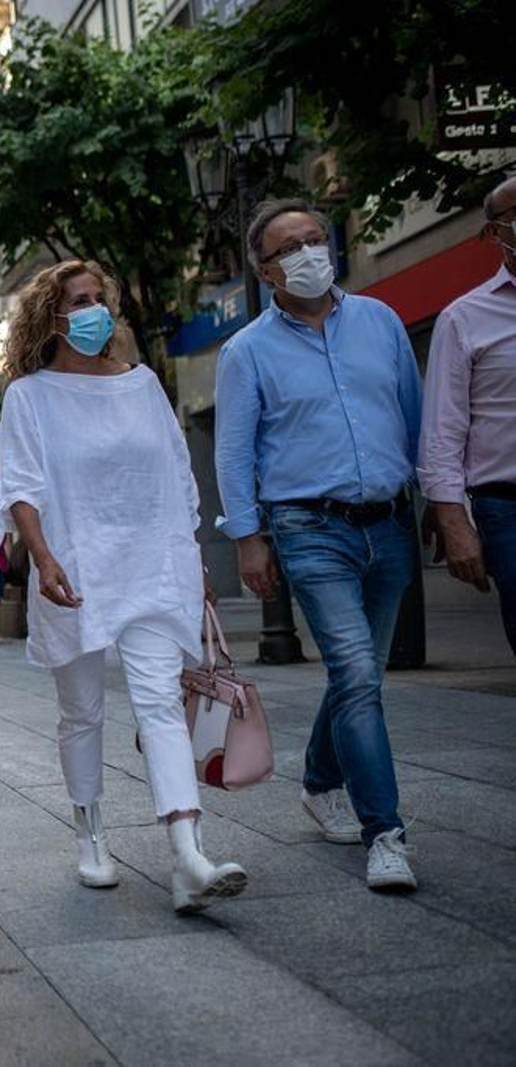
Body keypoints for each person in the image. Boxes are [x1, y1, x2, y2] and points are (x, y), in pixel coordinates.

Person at [0, 259, 247, 915]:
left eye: (99, 298)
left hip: (153, 563)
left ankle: (187, 851)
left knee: (161, 702)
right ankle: (91, 831)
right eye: (79, 300)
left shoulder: (141, 383)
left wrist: (193, 561)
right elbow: (19, 484)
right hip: (75, 566)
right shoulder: (31, 394)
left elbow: (175, 475)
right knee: (82, 710)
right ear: (52, 315)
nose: (93, 310)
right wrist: (43, 557)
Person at [215, 198, 421, 893]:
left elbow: (414, 419)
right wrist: (248, 539)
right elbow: (234, 452)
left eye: (315, 239)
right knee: (359, 672)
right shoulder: (247, 351)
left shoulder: (384, 323)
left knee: (359, 674)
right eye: (290, 248)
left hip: (388, 523)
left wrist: (437, 505)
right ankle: (385, 832)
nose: (309, 253)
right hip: (309, 529)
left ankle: (320, 778)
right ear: (266, 271)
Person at [422, 175, 516, 654]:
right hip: (507, 508)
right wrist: (453, 521)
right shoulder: (464, 318)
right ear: (497, 233)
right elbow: (442, 431)